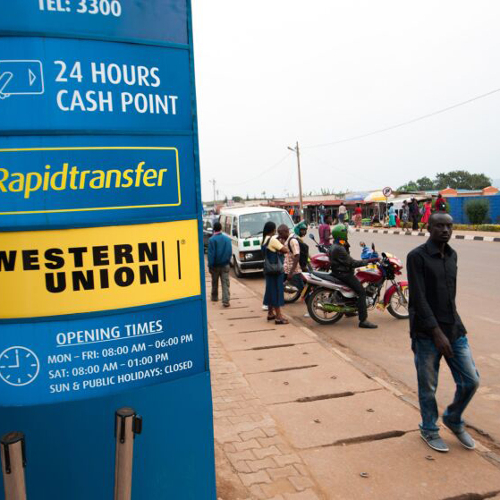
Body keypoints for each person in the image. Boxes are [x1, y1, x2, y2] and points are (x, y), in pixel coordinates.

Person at [407, 212, 479, 453]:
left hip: (454, 329)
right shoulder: (416, 257)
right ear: (429, 228)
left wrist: (453, 328)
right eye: (440, 226)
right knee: (428, 386)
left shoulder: (452, 255)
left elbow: (450, 297)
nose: (445, 230)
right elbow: (419, 298)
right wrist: (436, 332)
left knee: (471, 380)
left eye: (449, 226)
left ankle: (453, 418)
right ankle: (429, 428)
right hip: (427, 334)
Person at [328, 224, 379, 329]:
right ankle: (363, 320)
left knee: (354, 290)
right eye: (345, 233)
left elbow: (347, 259)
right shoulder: (339, 248)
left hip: (339, 271)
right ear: (341, 234)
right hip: (344, 274)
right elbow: (352, 263)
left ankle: (349, 311)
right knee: (361, 292)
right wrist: (368, 261)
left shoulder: (336, 245)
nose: (347, 235)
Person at [262, 221, 289, 324]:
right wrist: (282, 244)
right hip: (276, 270)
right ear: (273, 230)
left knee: (270, 290)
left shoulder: (264, 239)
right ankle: (279, 317)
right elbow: (285, 250)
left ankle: (270, 313)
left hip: (268, 270)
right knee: (277, 292)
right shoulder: (273, 240)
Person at [208, 221, 232, 307]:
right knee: (225, 283)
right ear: (221, 228)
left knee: (214, 282)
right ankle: (226, 300)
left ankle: (214, 297)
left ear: (214, 229)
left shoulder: (211, 240)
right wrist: (227, 261)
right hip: (225, 264)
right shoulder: (227, 239)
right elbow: (230, 252)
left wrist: (210, 265)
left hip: (215, 265)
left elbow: (211, 254)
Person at [283, 222, 308, 296]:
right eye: (302, 230)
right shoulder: (295, 238)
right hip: (296, 265)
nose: (303, 232)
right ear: (298, 230)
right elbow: (298, 254)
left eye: (304, 230)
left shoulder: (295, 237)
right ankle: (307, 295)